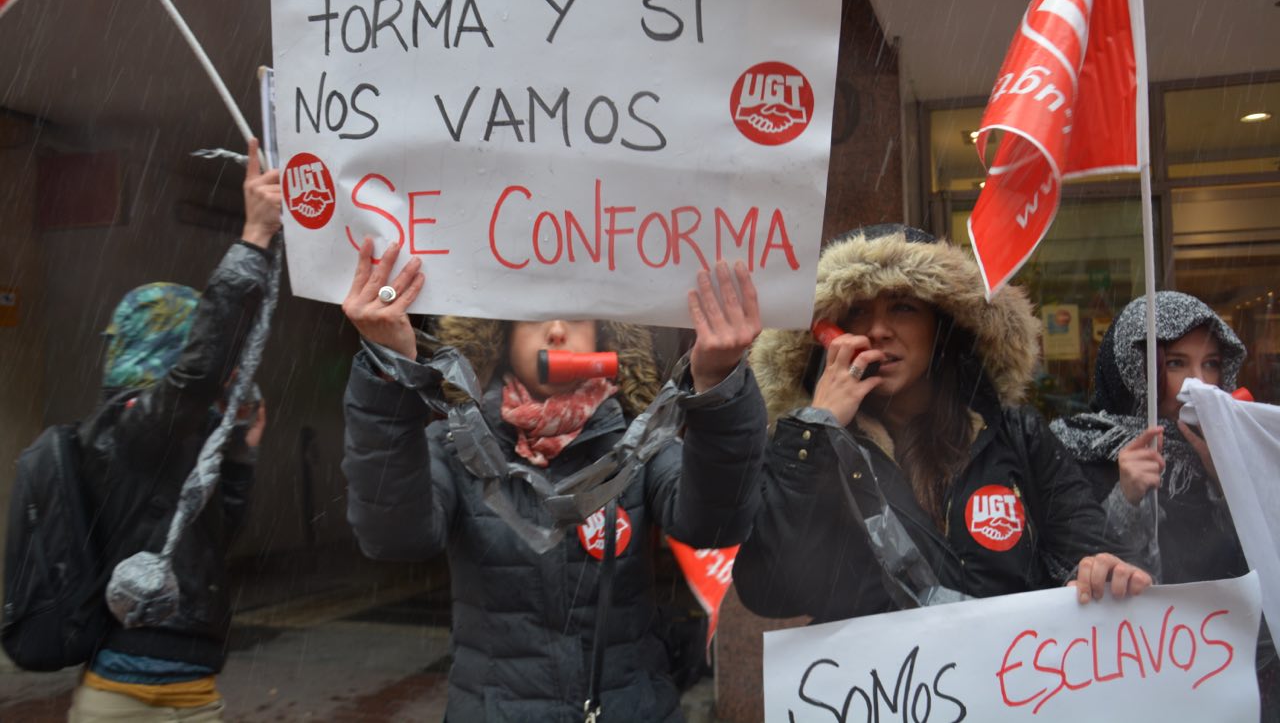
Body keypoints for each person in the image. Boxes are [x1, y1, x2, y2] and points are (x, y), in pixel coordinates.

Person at [340, 242, 768, 722]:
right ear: (502, 338)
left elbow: (715, 525)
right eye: (535, 316)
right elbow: (394, 536)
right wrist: (388, 373)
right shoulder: (454, 443)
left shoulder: (642, 441)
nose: (559, 330)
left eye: (579, 318)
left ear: (605, 340)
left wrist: (720, 384)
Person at [733, 224, 1150, 624]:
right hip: (884, 693)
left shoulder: (1017, 435)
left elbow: (1088, 547)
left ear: (941, 326)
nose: (878, 330)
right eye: (858, 311)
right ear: (830, 333)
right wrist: (817, 430)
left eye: (903, 307)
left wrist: (1098, 570)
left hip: (1013, 683)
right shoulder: (810, 446)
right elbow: (769, 592)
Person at [68, 142, 280, 723]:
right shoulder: (129, 429)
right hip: (121, 696)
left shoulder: (171, 438)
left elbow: (211, 540)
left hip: (193, 692)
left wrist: (239, 456)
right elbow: (198, 371)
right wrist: (254, 239)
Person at [1050, 290, 1249, 583]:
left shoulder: (1241, 447)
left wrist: (1229, 483)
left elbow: (1259, 567)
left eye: (1211, 364)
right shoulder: (1080, 448)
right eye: (1175, 363)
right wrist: (1126, 499)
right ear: (1133, 370)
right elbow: (1064, 566)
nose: (1199, 382)